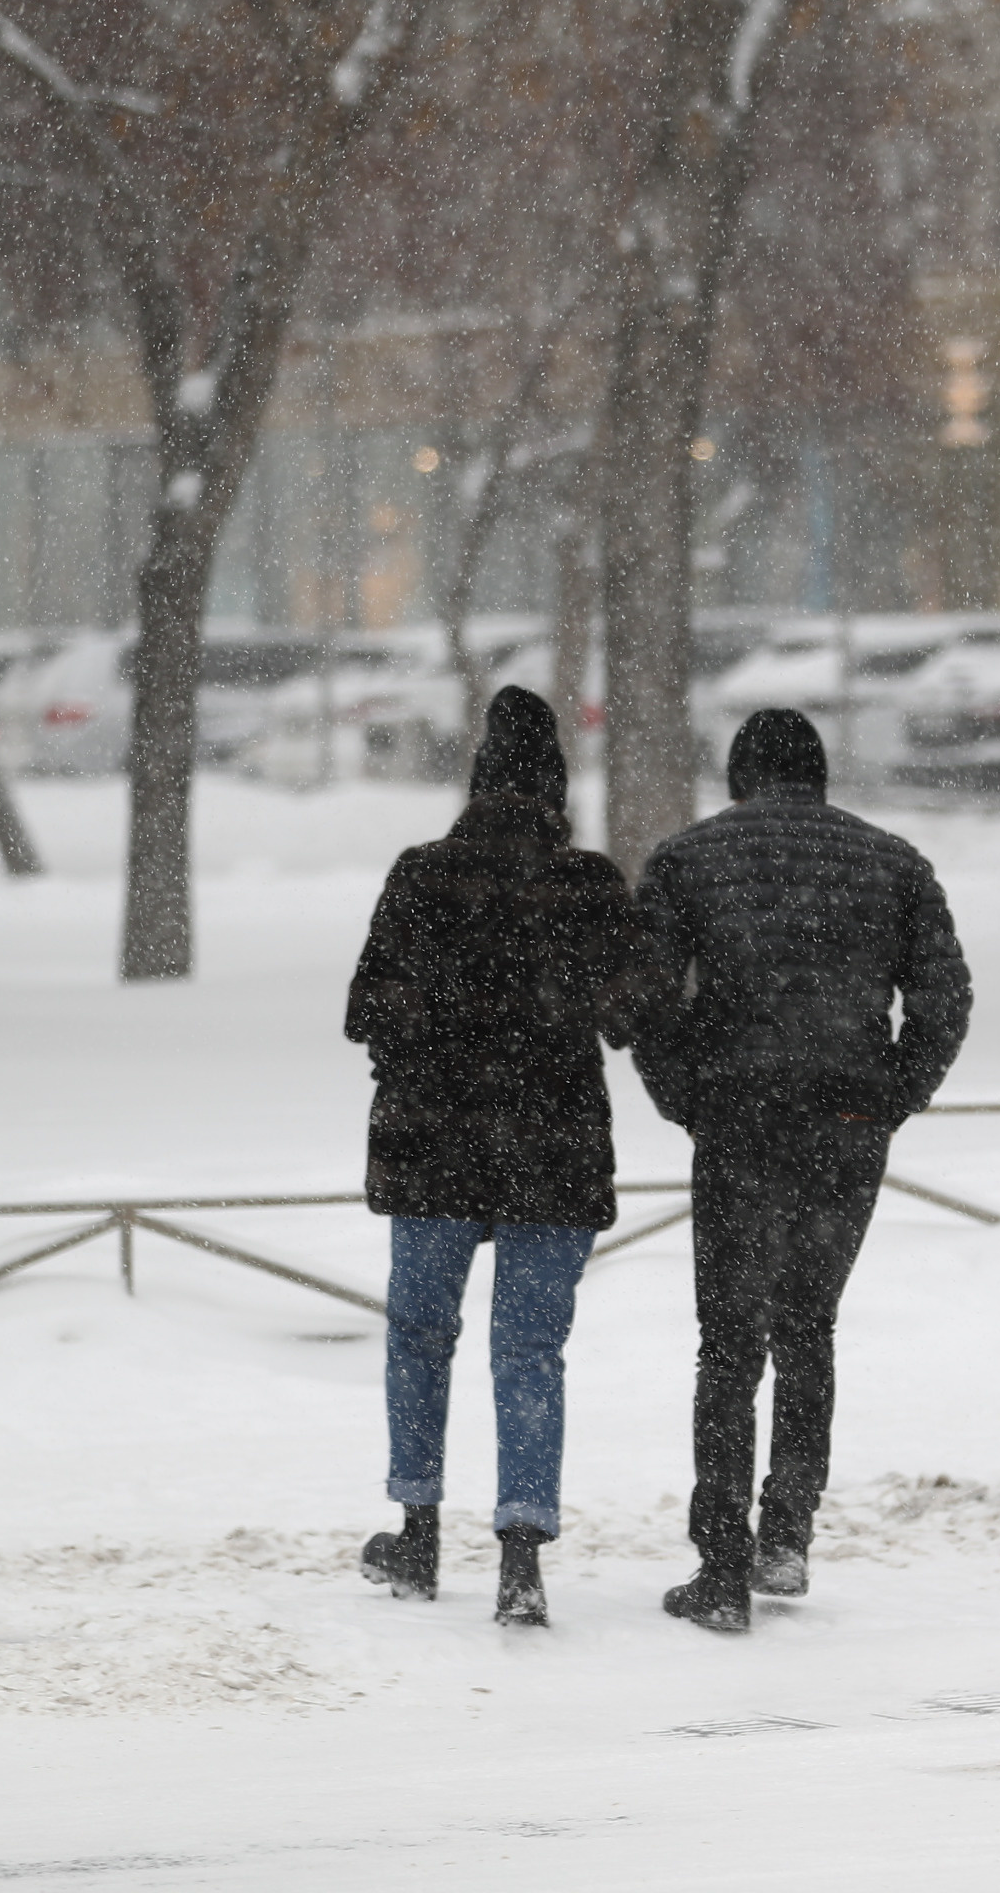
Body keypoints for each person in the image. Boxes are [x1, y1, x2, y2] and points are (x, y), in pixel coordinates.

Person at [634, 708, 971, 1632]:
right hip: (846, 1124)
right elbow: (946, 998)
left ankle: (721, 1562)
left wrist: (686, 1095)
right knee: (807, 1327)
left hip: (739, 1120)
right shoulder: (895, 862)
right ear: (821, 777)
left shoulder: (686, 859)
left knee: (729, 1342)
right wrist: (891, 1093)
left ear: (739, 779)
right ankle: (787, 1534)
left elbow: (646, 998)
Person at [346, 687, 647, 1629]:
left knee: (420, 1340)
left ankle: (418, 1531)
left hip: (434, 1146)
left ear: (476, 784)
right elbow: (633, 1014)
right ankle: (522, 1557)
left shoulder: (420, 876)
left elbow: (367, 1011)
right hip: (551, 1155)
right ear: (556, 794)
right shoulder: (592, 886)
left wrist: (429, 1050)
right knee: (529, 1351)